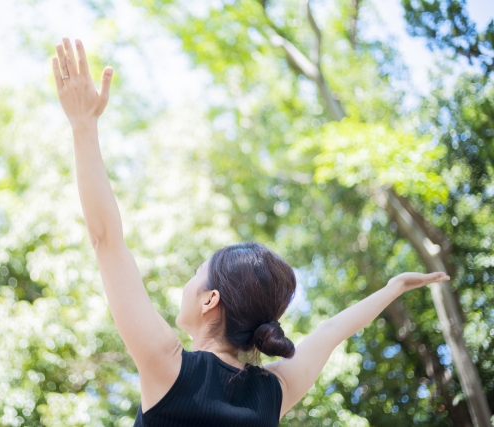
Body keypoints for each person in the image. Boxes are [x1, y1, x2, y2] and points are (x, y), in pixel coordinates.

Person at [51, 37, 451, 427]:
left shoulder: (166, 366)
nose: (187, 282)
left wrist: (83, 125)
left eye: (196, 274)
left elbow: (106, 239)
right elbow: (330, 332)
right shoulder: (273, 392)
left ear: (211, 299)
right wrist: (392, 288)